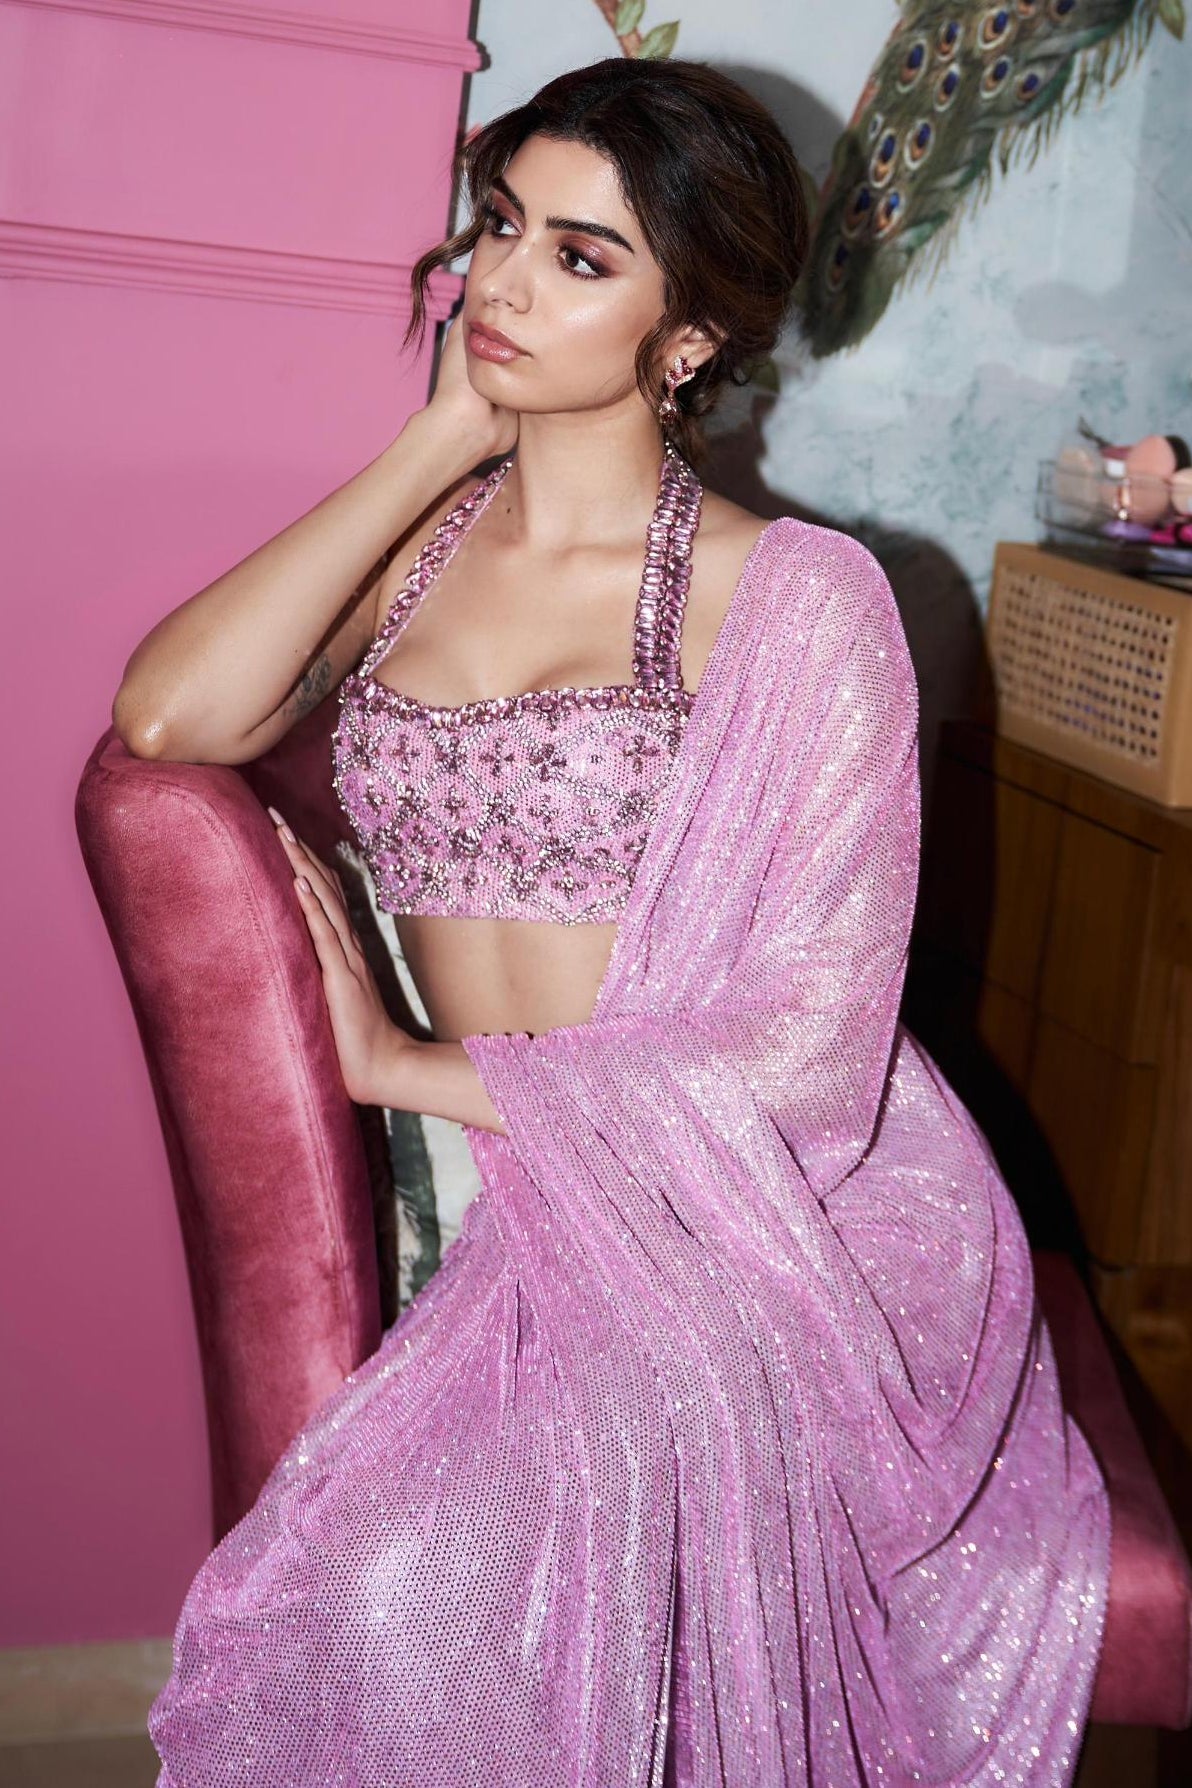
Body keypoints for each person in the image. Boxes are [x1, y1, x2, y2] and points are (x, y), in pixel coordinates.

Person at [117, 55, 1110, 1788]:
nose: (502, 283)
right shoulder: (419, 551)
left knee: (427, 1582)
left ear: (690, 337)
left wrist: (404, 1066)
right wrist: (439, 437)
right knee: (413, 1594)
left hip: (762, 1218)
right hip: (519, 1200)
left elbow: (812, 1066)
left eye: (581, 259)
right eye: (503, 227)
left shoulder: (799, 600)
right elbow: (165, 718)